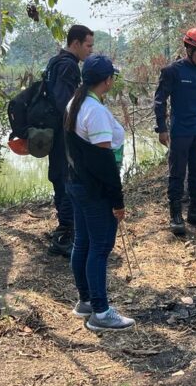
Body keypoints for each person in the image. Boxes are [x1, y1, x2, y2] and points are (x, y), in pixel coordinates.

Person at [65, 55, 134, 332]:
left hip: (77, 183)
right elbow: (104, 162)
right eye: (112, 76)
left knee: (82, 242)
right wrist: (117, 201)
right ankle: (101, 312)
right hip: (94, 189)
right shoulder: (95, 112)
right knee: (100, 246)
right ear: (107, 80)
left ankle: (85, 302)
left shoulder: (76, 103)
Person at [154, 27, 196, 236]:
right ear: (189, 49)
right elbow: (160, 100)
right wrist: (162, 129)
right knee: (177, 173)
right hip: (180, 132)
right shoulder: (172, 71)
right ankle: (175, 215)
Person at [46, 25, 94, 257]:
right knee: (67, 177)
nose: (90, 50)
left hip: (55, 132)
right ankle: (65, 234)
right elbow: (64, 103)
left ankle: (64, 228)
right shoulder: (68, 66)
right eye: (88, 45)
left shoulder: (56, 62)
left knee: (60, 175)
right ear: (75, 43)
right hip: (63, 133)